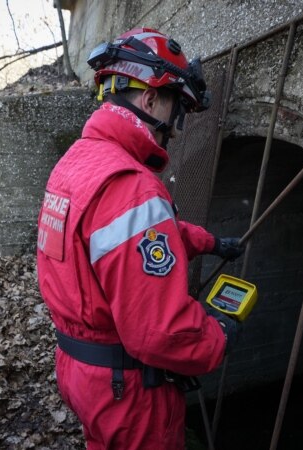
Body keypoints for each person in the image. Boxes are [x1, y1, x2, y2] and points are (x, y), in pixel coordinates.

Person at [36, 28, 244, 449]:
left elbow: (118, 241)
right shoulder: (133, 186)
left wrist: (208, 242)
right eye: (176, 109)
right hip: (128, 389)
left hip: (80, 369)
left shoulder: (77, 164)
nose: (176, 127)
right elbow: (158, 333)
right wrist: (216, 338)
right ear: (150, 100)